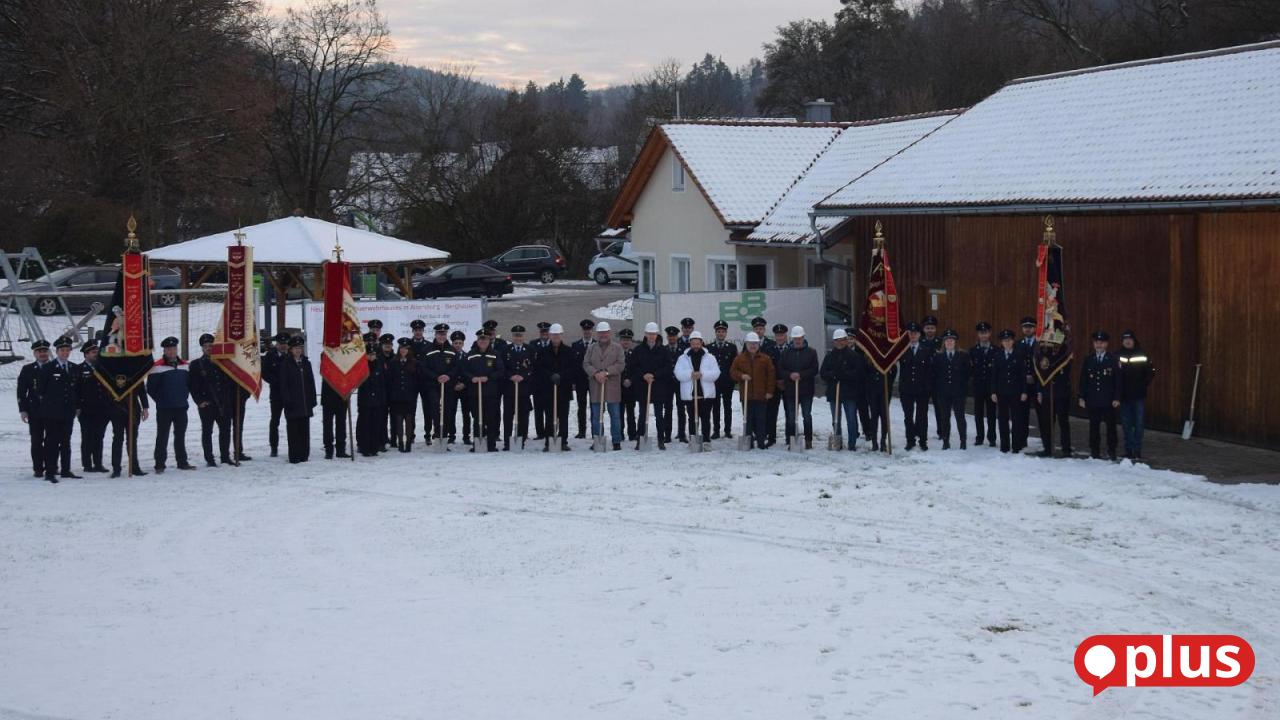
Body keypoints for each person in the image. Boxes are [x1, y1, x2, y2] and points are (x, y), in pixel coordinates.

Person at [146, 336, 194, 473]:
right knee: (162, 436)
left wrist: (184, 397)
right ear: (164, 350)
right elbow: (151, 389)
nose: (172, 351)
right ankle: (160, 464)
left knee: (180, 435)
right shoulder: (157, 367)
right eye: (169, 349)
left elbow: (189, 384)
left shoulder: (185, 365)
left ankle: (182, 461)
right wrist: (161, 400)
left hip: (181, 407)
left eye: (173, 349)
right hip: (164, 408)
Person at [35, 337, 80, 482]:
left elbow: (77, 390)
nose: (65, 353)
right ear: (57, 351)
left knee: (66, 442)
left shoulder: (74, 368)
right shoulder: (48, 368)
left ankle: (66, 470)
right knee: (51, 442)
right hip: (52, 412)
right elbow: (40, 390)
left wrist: (76, 407)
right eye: (62, 350)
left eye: (67, 350)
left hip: (68, 412)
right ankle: (50, 472)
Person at [188, 333, 234, 467]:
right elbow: (193, 386)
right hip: (207, 403)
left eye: (211, 345)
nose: (209, 348)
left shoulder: (224, 361)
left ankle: (225, 457)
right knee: (207, 431)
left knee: (225, 430)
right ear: (202, 348)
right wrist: (199, 401)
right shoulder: (197, 364)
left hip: (223, 402)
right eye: (206, 346)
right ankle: (209, 458)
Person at [1079, 330, 1121, 461]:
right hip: (1093, 399)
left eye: (1101, 343)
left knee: (1111, 427)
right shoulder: (1089, 359)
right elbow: (1083, 380)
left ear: (1106, 344)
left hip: (1108, 400)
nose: (1099, 345)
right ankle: (1094, 450)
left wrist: (1116, 398)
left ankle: (1112, 450)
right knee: (1094, 426)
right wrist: (1081, 397)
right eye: (1096, 342)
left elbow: (1118, 381)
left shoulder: (1113, 360)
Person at [584, 321, 626, 450]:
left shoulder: (617, 347)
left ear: (610, 333)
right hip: (596, 385)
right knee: (596, 415)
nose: (603, 335)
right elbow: (586, 363)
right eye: (601, 332)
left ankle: (616, 440)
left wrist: (606, 372)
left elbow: (620, 365)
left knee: (615, 415)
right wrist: (596, 374)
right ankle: (598, 439)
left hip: (611, 385)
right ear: (597, 333)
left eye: (605, 332)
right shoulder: (591, 348)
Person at [730, 331, 775, 449]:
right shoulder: (739, 358)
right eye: (750, 344)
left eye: (755, 344)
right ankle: (748, 442)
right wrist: (741, 376)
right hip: (747, 396)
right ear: (746, 344)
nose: (753, 346)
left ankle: (761, 442)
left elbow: (771, 375)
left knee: (761, 420)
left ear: (759, 344)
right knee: (747, 420)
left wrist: (770, 391)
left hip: (761, 395)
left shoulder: (765, 359)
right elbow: (732, 372)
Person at [674, 331, 719, 445]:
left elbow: (716, 373)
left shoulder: (710, 358)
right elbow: (678, 373)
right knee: (692, 419)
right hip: (690, 394)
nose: (695, 346)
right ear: (690, 343)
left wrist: (702, 374)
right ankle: (693, 441)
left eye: (698, 343)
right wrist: (690, 374)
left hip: (705, 394)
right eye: (693, 343)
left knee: (705, 419)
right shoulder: (683, 358)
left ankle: (706, 441)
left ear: (701, 343)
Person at [535, 323, 575, 451]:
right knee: (549, 416)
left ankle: (563, 441)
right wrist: (550, 375)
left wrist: (561, 375)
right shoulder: (543, 352)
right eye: (553, 335)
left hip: (563, 389)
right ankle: (549, 440)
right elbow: (539, 368)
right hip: (548, 389)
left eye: (558, 335)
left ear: (561, 335)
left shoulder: (569, 351)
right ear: (550, 336)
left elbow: (573, 368)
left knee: (563, 417)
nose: (555, 337)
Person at [820, 329, 862, 450]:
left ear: (846, 341)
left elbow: (858, 373)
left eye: (842, 340)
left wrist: (844, 375)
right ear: (834, 342)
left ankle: (852, 442)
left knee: (851, 418)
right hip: (834, 392)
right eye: (837, 341)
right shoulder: (829, 356)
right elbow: (823, 373)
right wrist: (833, 375)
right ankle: (837, 441)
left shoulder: (853, 356)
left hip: (849, 391)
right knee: (836, 418)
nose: (840, 343)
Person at [462, 332, 505, 452]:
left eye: (485, 339)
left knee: (490, 418)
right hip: (474, 392)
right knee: (477, 418)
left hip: (490, 392)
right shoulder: (471, 354)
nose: (483, 342)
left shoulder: (495, 354)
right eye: (481, 339)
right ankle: (477, 443)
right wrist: (472, 378)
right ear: (477, 340)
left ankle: (491, 445)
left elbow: (500, 371)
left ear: (489, 340)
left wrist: (489, 377)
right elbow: (464, 370)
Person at [778, 325, 819, 449]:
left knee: (807, 416)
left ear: (803, 337)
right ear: (792, 338)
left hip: (806, 389)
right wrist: (790, 375)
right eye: (795, 338)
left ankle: (808, 440)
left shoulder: (811, 352)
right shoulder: (785, 353)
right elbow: (781, 369)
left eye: (799, 338)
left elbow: (814, 369)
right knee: (791, 417)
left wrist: (801, 374)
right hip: (790, 390)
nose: (797, 340)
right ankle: (792, 440)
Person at [1118, 330, 1156, 460]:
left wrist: (1143, 384)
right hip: (1124, 396)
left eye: (1129, 339)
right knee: (1126, 424)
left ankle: (1137, 450)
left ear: (1134, 340)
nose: (1127, 341)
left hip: (1138, 396)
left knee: (1139, 424)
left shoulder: (1142, 354)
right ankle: (1129, 450)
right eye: (1125, 339)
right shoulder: (1117, 354)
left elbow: (1150, 372)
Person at [279, 336, 317, 463]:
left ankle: (304, 454)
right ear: (290, 349)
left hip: (305, 402)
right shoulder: (285, 363)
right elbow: (283, 384)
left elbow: (311, 382)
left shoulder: (306, 363)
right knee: (293, 431)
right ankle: (295, 456)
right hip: (292, 403)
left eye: (300, 348)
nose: (298, 350)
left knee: (304, 429)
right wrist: (287, 400)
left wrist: (312, 398)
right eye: (296, 348)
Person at [74, 341, 111, 473]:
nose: (96, 355)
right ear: (86, 354)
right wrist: (77, 406)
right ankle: (87, 464)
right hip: (86, 409)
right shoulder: (79, 369)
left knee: (99, 437)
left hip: (102, 409)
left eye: (97, 352)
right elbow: (76, 390)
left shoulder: (103, 368)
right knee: (87, 437)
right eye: (93, 352)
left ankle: (98, 463)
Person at [631, 322, 668, 449]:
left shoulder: (663, 350)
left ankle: (661, 439)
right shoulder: (638, 350)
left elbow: (667, 367)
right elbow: (633, 367)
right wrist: (643, 375)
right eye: (649, 334)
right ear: (645, 334)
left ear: (657, 335)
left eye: (654, 334)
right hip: (643, 387)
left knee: (659, 415)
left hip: (658, 387)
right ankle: (640, 439)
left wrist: (655, 375)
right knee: (642, 415)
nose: (652, 336)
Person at [17, 339, 51, 477]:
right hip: (34, 411)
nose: (42, 354)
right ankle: (38, 468)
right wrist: (23, 410)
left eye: (44, 351)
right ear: (34, 353)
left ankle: (51, 465)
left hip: (52, 411)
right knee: (36, 440)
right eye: (39, 351)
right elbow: (21, 391)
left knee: (52, 440)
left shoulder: (54, 367)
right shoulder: (28, 369)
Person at [897, 322, 933, 451]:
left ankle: (923, 440)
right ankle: (910, 440)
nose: (913, 336)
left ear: (919, 335)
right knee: (908, 416)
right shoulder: (901, 350)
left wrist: (928, 388)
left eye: (915, 333)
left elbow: (930, 371)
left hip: (922, 388)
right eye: (910, 333)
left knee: (922, 416)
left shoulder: (926, 350)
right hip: (906, 388)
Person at [931, 329, 970, 450]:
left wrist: (962, 386)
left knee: (960, 417)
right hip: (943, 392)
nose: (949, 342)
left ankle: (963, 441)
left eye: (951, 340)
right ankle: (945, 441)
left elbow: (967, 373)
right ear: (944, 342)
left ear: (955, 342)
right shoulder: (938, 356)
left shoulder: (963, 356)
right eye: (947, 340)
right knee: (944, 417)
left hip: (958, 392)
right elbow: (934, 374)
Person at [990, 329, 1028, 453]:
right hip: (1001, 392)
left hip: (1016, 392)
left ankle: (1016, 445)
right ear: (1001, 342)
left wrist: (1024, 391)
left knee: (1017, 419)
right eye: (1004, 341)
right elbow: (994, 375)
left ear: (1013, 341)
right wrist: (993, 392)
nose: (1007, 343)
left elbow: (1023, 375)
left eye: (1009, 340)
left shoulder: (1019, 355)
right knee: (1002, 419)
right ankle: (1004, 445)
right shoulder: (997, 355)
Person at [501, 325, 535, 450]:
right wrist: (510, 376)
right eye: (516, 335)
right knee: (508, 416)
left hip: (524, 389)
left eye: (520, 335)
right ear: (512, 336)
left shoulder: (530, 349)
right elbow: (502, 368)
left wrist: (523, 376)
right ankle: (507, 442)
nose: (518, 337)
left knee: (523, 416)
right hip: (509, 389)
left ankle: (521, 440)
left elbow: (533, 368)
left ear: (523, 336)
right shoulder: (505, 350)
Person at [1036, 355, 1073, 458]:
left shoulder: (1064, 352)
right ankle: (1047, 448)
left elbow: (1067, 368)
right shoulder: (1044, 352)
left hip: (1062, 392)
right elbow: (1040, 373)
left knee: (1063, 421)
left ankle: (1066, 449)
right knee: (1047, 422)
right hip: (1047, 392)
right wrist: (1039, 391)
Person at [386, 337, 420, 453]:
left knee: (409, 419)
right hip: (396, 396)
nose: (403, 351)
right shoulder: (393, 362)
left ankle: (409, 442)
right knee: (398, 419)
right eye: (402, 348)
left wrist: (413, 391)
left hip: (409, 395)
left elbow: (417, 379)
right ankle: (400, 442)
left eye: (406, 349)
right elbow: (390, 379)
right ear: (399, 349)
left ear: (409, 350)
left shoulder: (414, 363)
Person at [356, 341, 388, 456]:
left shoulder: (380, 364)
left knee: (376, 424)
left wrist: (383, 400)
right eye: (369, 354)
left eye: (373, 354)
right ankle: (364, 447)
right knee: (365, 424)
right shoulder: (361, 365)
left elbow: (383, 383)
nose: (371, 357)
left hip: (378, 400)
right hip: (365, 401)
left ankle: (374, 447)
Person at [708, 320, 738, 439]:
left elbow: (734, 365)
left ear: (726, 333)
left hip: (727, 382)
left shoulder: (731, 347)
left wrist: (733, 379)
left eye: (723, 331)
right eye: (718, 331)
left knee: (727, 406)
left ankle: (727, 430)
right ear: (715, 333)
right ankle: (716, 430)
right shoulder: (709, 347)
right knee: (715, 407)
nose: (721, 334)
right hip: (714, 383)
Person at [261, 333, 290, 457]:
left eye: (285, 344)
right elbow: (265, 373)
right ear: (276, 344)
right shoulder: (270, 355)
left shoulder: (291, 355)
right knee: (275, 421)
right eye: (280, 344)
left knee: (292, 420)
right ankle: (274, 447)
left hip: (290, 393)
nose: (283, 346)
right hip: (276, 393)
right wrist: (277, 381)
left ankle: (293, 445)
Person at [969, 322, 998, 447]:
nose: (983, 335)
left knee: (991, 414)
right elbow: (970, 370)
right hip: (978, 387)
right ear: (978, 334)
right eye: (981, 333)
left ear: (990, 333)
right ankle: (979, 437)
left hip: (991, 388)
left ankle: (992, 438)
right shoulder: (973, 350)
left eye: (985, 332)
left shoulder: (996, 350)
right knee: (978, 414)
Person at [762, 323, 790, 448]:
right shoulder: (768, 349)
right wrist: (775, 381)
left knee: (789, 412)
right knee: (771, 413)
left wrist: (784, 380)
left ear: (786, 336)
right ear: (775, 336)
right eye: (778, 335)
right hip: (773, 385)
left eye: (782, 335)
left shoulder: (791, 348)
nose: (780, 338)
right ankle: (771, 437)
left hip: (788, 385)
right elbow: (767, 368)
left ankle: (790, 438)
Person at [1015, 316, 1039, 451]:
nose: (1028, 329)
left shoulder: (1040, 343)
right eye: (1025, 327)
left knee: (1041, 414)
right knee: (1021, 414)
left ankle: (1046, 443)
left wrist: (1034, 376)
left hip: (1037, 384)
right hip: (1022, 385)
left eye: (1030, 327)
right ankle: (1021, 442)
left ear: (1035, 328)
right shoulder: (1017, 344)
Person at [571, 319, 595, 439]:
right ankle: (582, 431)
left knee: (594, 407)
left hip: (594, 380)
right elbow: (574, 365)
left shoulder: (597, 344)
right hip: (580, 381)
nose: (587, 332)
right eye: (585, 330)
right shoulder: (575, 345)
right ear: (582, 331)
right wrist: (573, 382)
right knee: (581, 407)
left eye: (589, 330)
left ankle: (594, 431)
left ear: (592, 331)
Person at [662, 326, 685, 442]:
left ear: (677, 337)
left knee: (681, 409)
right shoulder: (663, 349)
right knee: (668, 409)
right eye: (670, 336)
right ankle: (667, 435)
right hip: (667, 383)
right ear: (667, 337)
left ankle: (682, 434)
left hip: (680, 383)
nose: (672, 338)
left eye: (674, 336)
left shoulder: (683, 350)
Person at [531, 321, 552, 439]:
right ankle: (540, 433)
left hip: (549, 382)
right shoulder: (533, 344)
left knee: (549, 409)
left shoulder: (553, 344)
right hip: (537, 383)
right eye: (542, 331)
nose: (544, 333)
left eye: (546, 331)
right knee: (538, 410)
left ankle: (549, 432)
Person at [618, 328, 639, 440]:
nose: (626, 342)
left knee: (631, 412)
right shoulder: (616, 353)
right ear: (620, 341)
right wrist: (622, 381)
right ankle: (620, 433)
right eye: (623, 339)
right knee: (619, 413)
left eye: (628, 340)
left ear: (631, 341)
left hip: (631, 387)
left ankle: (632, 433)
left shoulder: (634, 354)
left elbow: (637, 369)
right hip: (619, 387)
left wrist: (631, 380)